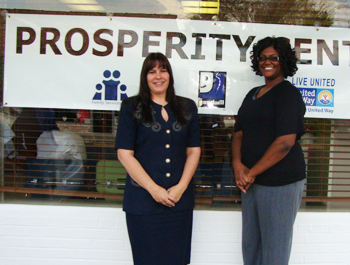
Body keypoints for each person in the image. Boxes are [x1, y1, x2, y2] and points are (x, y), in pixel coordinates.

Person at [115, 52, 201, 265]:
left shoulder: (187, 107)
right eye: (151, 72)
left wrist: (181, 187)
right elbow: (124, 154)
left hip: (178, 202)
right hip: (142, 204)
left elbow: (194, 151)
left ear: (170, 75)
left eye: (163, 70)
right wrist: (154, 190)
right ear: (145, 77)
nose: (158, 76)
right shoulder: (131, 107)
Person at [232, 36, 306, 265]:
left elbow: (285, 142)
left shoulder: (288, 94)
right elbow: (238, 133)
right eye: (263, 57)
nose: (267, 62)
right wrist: (237, 166)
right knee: (251, 245)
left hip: (280, 182)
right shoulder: (253, 93)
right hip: (250, 181)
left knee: (275, 247)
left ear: (284, 61)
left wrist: (251, 172)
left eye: (274, 57)